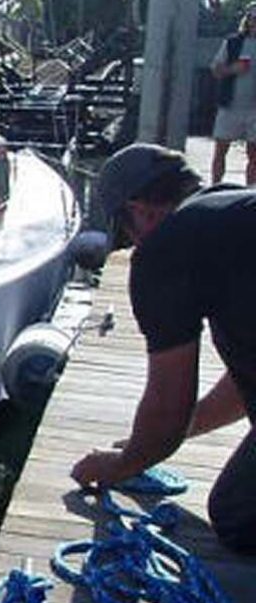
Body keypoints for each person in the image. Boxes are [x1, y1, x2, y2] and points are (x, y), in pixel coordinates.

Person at [71, 143, 256, 554]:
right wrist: (175, 433)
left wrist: (119, 466)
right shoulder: (231, 212)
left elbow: (168, 410)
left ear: (141, 210)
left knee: (237, 514)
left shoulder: (167, 250)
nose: (135, 245)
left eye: (128, 232)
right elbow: (245, 380)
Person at [209, 6, 256, 185]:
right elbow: (215, 70)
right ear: (247, 20)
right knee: (220, 150)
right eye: (253, 17)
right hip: (231, 105)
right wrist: (232, 69)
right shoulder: (232, 42)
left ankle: (250, 194)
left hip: (254, 109)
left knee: (254, 155)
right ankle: (214, 186)